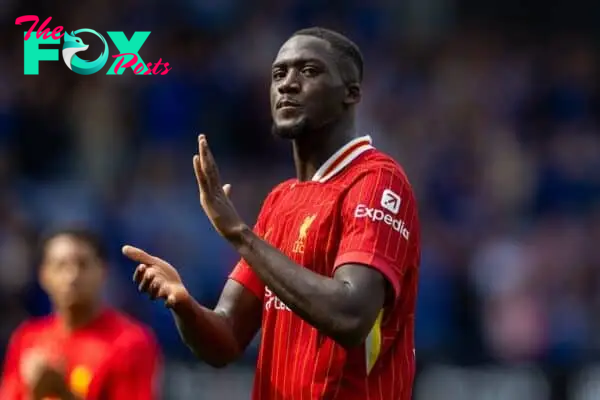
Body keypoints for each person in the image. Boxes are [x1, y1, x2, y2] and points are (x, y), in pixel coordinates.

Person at [123, 26, 420, 399]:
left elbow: (351, 315)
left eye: (309, 71)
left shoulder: (377, 181)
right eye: (279, 74)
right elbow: (226, 338)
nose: (288, 84)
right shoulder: (281, 200)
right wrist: (183, 304)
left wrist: (240, 234)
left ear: (351, 93)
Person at [0, 228, 162, 400]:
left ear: (103, 271)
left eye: (82, 264)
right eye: (60, 266)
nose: (72, 276)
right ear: (43, 275)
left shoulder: (130, 342)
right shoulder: (27, 338)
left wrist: (60, 392)